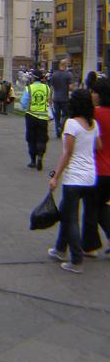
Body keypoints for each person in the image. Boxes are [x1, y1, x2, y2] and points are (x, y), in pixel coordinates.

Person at [48, 89, 101, 273]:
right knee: (65, 211)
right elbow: (98, 146)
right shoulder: (93, 125)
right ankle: (60, 248)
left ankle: (76, 259)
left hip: (74, 178)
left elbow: (67, 153)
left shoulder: (71, 124)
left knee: (70, 219)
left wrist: (55, 176)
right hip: (90, 177)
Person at [81, 78, 110, 255]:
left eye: (93, 92)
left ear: (99, 95)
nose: (92, 95)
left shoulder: (94, 115)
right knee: (101, 206)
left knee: (91, 208)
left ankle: (90, 246)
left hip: (95, 169)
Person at [21, 69, 52, 171]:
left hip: (31, 115)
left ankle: (33, 160)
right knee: (42, 138)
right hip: (43, 116)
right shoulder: (47, 88)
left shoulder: (29, 88)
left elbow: (24, 103)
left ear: (33, 78)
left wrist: (26, 108)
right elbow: (49, 101)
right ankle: (40, 156)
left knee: (31, 138)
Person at [50, 59, 74, 138]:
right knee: (65, 115)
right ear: (65, 65)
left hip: (56, 98)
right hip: (65, 98)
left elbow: (51, 87)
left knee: (57, 115)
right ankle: (61, 125)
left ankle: (57, 130)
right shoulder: (68, 75)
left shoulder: (54, 74)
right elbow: (70, 88)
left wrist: (50, 98)